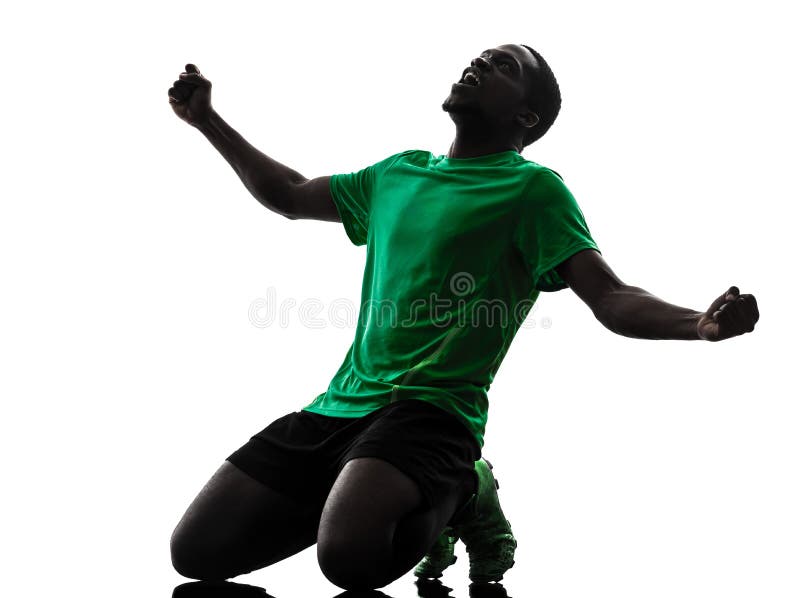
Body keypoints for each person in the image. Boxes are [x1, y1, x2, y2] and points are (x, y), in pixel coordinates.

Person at [166, 44, 759, 592]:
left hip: (434, 412)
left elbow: (609, 295)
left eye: (503, 66)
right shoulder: (396, 174)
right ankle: (357, 482)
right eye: (481, 55)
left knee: (348, 560)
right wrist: (207, 121)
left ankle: (464, 491)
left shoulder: (533, 190)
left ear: (525, 118)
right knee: (196, 554)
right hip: (338, 406)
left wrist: (697, 324)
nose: (479, 62)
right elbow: (292, 194)